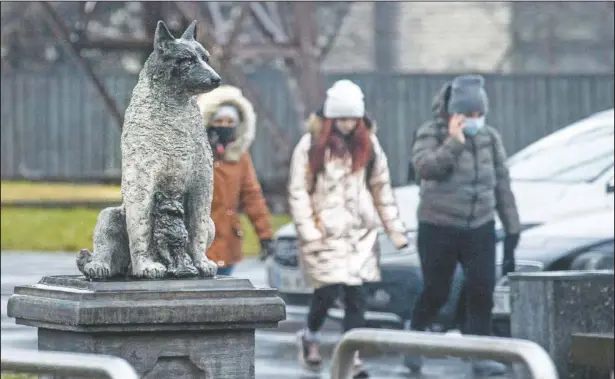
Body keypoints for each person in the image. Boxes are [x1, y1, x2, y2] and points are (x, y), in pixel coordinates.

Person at [288, 79, 409, 378]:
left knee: (357, 297)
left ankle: (352, 357)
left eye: (353, 118)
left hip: (360, 234)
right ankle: (310, 336)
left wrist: (395, 230)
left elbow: (381, 187)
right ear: (330, 118)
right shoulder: (311, 145)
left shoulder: (369, 145)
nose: (347, 124)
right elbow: (299, 191)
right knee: (326, 293)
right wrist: (310, 233)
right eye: (341, 118)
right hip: (325, 233)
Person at [406, 75, 521, 376]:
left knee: (482, 289)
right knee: (437, 290)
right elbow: (425, 168)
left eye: (479, 115)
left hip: (479, 226)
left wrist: (512, 229)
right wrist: (453, 143)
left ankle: (479, 353)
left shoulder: (490, 139)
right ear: (453, 112)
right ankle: (414, 336)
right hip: (438, 225)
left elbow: (502, 185)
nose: (474, 121)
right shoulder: (431, 132)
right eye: (468, 115)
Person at [196, 85, 275, 276]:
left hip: (228, 242)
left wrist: (265, 236)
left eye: (230, 121)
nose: (224, 125)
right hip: (198, 240)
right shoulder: (195, 153)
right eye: (219, 120)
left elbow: (252, 196)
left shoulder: (240, 157)